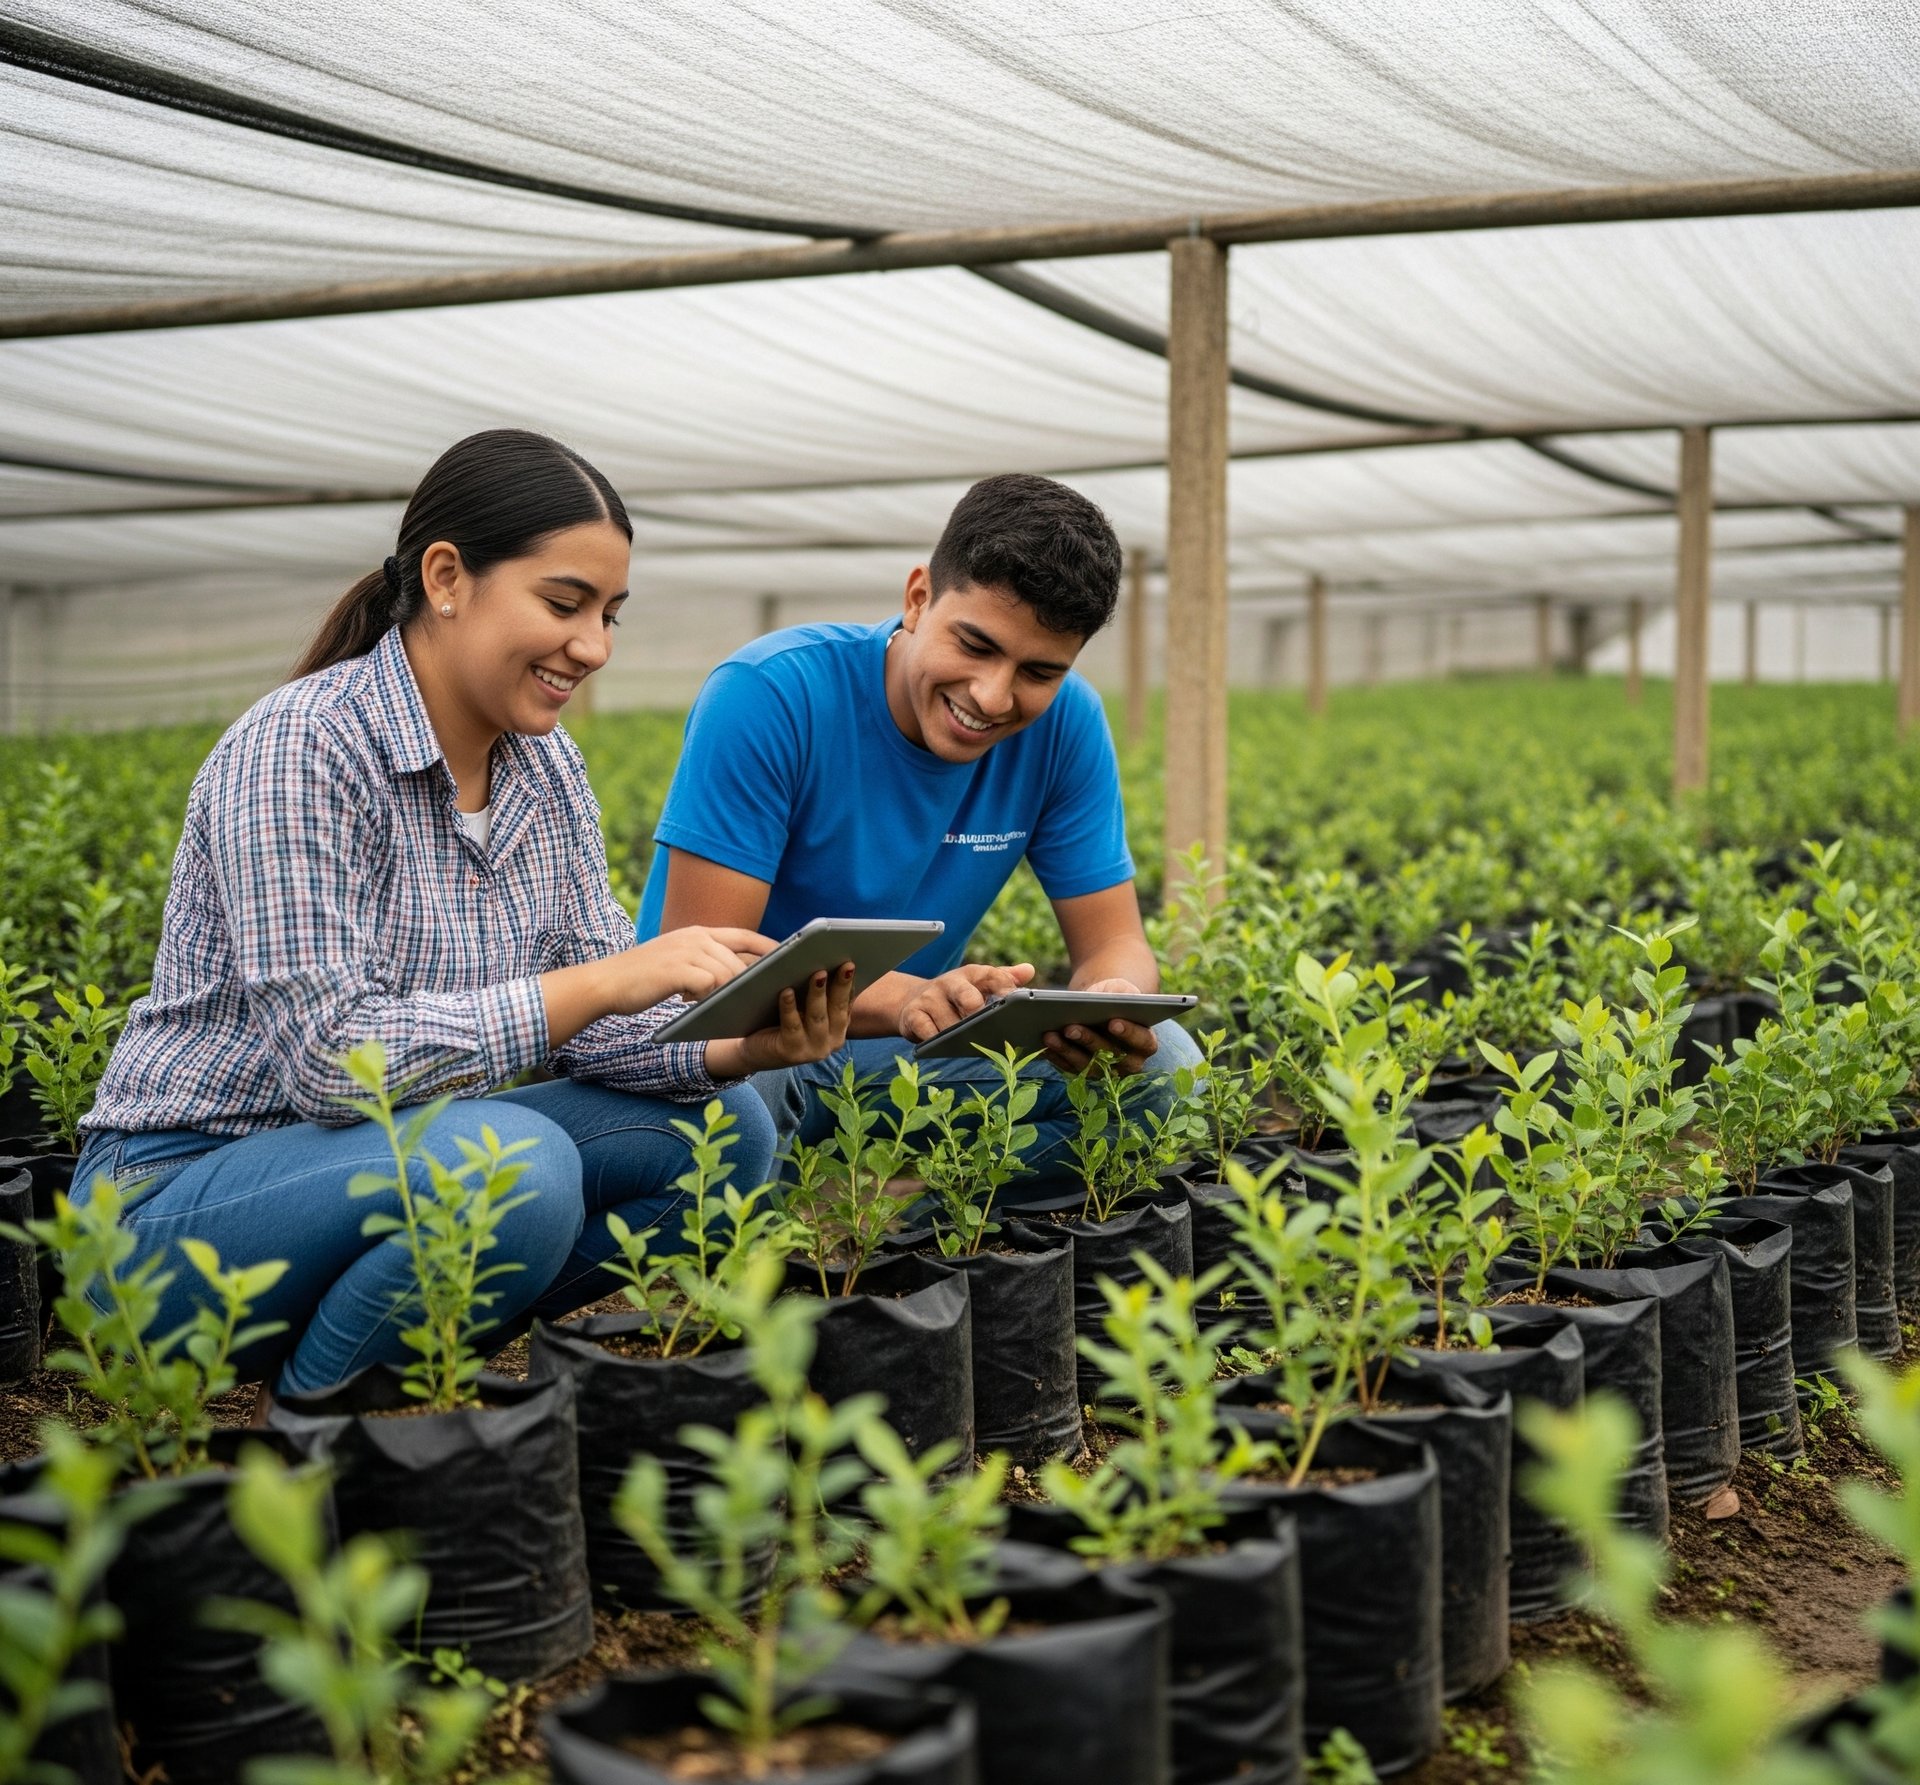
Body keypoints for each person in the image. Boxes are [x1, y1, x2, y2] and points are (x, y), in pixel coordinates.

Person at [75, 430, 852, 1396]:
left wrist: (739, 1048)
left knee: (728, 1129)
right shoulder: (302, 748)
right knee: (511, 1168)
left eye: (611, 614)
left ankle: (391, 1358)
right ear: (446, 576)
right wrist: (601, 981)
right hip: (174, 1203)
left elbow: (603, 1032)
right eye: (564, 603)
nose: (594, 646)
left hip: (397, 1162)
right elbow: (330, 1063)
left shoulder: (546, 769)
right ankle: (326, 1435)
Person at [637, 472, 1200, 1193]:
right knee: (742, 1106)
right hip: (738, 1053)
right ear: (917, 598)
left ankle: (896, 1213)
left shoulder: (1067, 725)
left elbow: (1115, 939)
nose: (992, 696)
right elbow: (705, 987)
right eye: (975, 644)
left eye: (1038, 671)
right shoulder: (772, 694)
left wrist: (1109, 1002)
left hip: (891, 1055)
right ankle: (777, 1228)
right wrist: (908, 997)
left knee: (1167, 1073)